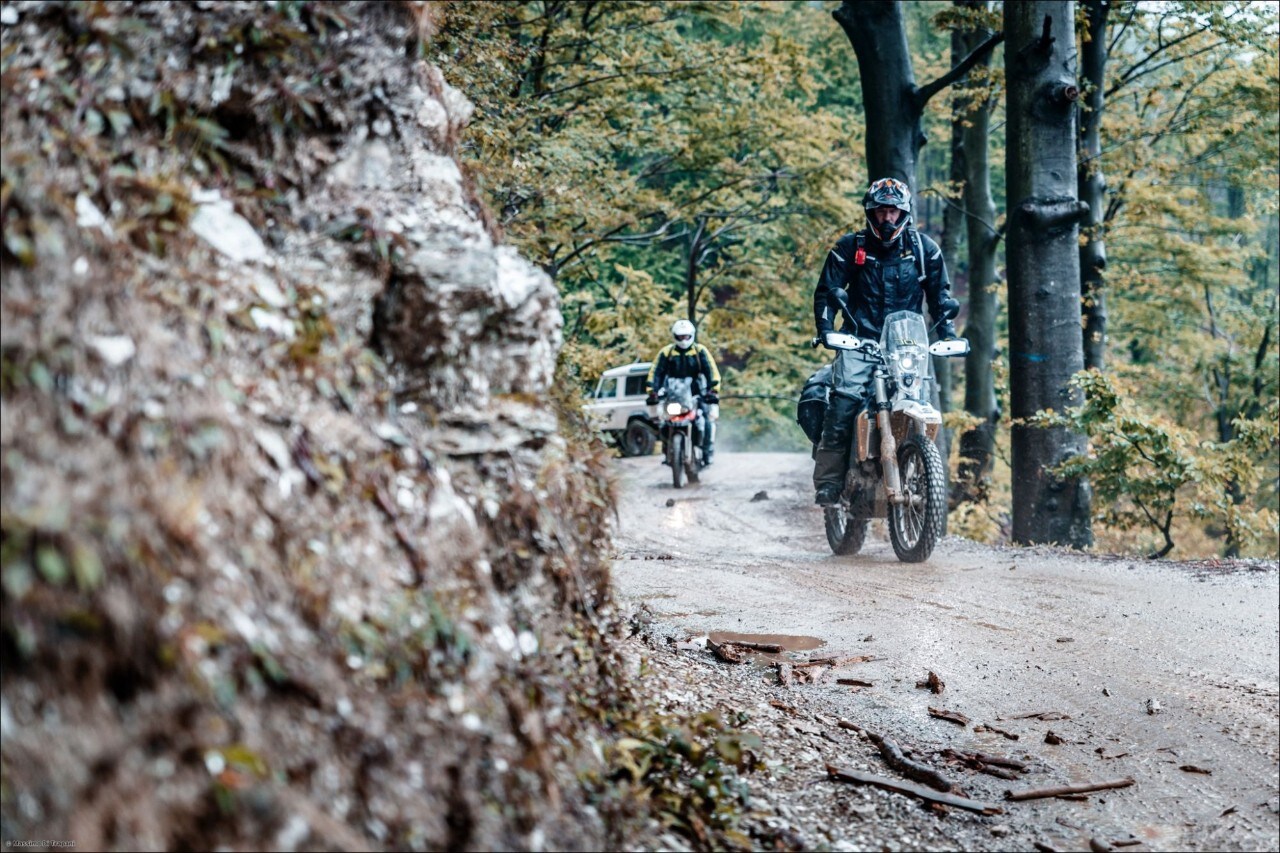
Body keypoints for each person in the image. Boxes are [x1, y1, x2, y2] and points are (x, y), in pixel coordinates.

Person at [811, 177, 960, 506]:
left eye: (893, 211)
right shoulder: (850, 248)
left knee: (920, 404)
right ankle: (829, 483)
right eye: (880, 212)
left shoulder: (923, 250)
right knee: (843, 402)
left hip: (907, 347)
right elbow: (827, 293)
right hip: (859, 340)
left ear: (904, 212)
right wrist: (826, 329)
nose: (887, 219)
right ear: (870, 213)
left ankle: (922, 474)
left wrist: (947, 332)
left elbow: (940, 297)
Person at [645, 319, 721, 465]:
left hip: (696, 395)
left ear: (692, 335)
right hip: (673, 396)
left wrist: (713, 390)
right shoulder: (667, 353)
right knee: (664, 422)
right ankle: (668, 450)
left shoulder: (700, 351)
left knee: (705, 420)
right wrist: (652, 391)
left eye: (686, 336)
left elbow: (711, 371)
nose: (683, 339)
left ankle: (707, 452)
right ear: (674, 336)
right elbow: (656, 373)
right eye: (680, 337)